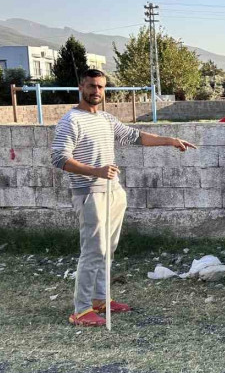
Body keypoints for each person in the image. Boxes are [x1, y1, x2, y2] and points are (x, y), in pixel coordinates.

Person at [51, 69, 196, 327]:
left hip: (113, 191)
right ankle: (81, 310)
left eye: (101, 87)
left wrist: (170, 140)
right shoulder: (70, 120)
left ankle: (101, 300)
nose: (96, 91)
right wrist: (95, 171)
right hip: (90, 193)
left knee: (108, 250)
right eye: (92, 86)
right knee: (93, 251)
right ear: (80, 87)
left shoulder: (106, 119)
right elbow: (60, 158)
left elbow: (135, 136)